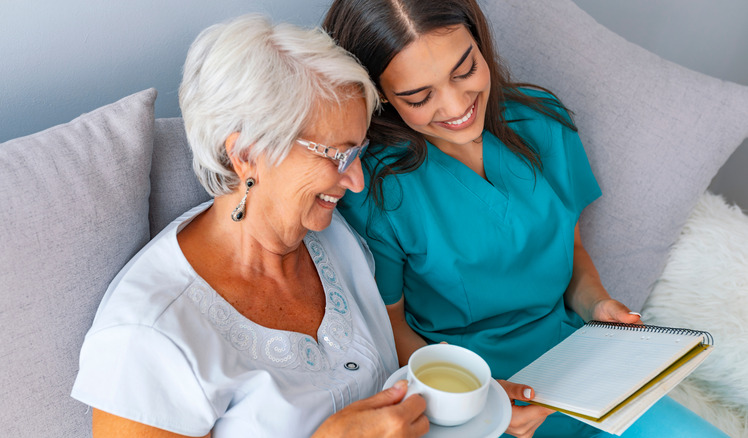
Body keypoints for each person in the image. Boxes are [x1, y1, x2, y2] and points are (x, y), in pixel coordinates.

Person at [323, 1, 729, 437]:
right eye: (420, 97)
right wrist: (483, 402)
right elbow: (391, 326)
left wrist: (599, 305)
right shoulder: (376, 189)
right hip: (472, 396)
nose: (458, 105)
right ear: (380, 94)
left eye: (465, 70)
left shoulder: (542, 122)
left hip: (583, 373)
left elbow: (571, 252)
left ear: (479, 42)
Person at [70, 15, 430, 438]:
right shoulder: (147, 338)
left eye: (358, 151)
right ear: (245, 154)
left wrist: (465, 403)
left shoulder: (330, 233)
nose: (356, 182)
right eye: (336, 155)